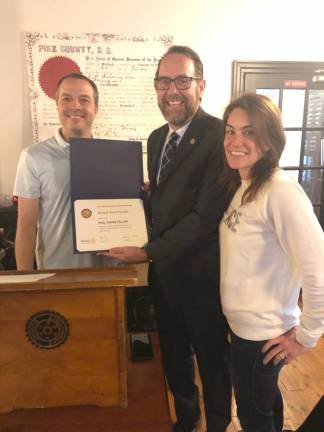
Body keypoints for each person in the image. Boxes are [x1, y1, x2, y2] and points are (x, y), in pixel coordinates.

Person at [105, 46, 232, 432]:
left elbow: (204, 218)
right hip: (165, 277)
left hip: (202, 278)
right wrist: (143, 196)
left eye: (182, 80)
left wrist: (145, 252)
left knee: (212, 361)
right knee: (174, 356)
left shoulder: (217, 136)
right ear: (156, 88)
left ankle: (218, 425)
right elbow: (168, 198)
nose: (172, 90)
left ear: (201, 86)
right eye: (164, 81)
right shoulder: (157, 137)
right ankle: (187, 419)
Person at [220, 93, 324, 432]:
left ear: (269, 140)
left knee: (254, 417)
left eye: (249, 132)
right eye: (230, 130)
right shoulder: (246, 185)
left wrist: (307, 336)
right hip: (245, 330)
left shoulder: (280, 191)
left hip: (262, 336)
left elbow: (318, 269)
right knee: (263, 407)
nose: (235, 141)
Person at [14, 72, 116, 270]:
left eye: (84, 100)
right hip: (57, 273)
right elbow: (26, 225)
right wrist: (24, 282)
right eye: (66, 98)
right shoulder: (33, 157)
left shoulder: (114, 157)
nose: (75, 106)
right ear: (57, 105)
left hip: (109, 273)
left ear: (96, 108)